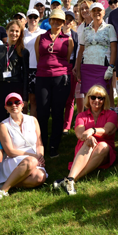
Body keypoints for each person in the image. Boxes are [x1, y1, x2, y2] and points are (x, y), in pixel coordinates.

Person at [53, 85, 117, 196]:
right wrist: (88, 137)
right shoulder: (81, 116)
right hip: (84, 149)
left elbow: (107, 130)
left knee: (102, 145)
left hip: (104, 151)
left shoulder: (111, 114)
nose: (96, 100)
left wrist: (92, 130)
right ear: (88, 99)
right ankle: (71, 180)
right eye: (93, 97)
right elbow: (79, 133)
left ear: (104, 100)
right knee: (88, 141)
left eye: (100, 98)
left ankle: (70, 179)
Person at [0, 93, 47, 206]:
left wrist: (41, 156)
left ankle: (4, 184)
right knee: (31, 161)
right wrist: (34, 156)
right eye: (10, 103)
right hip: (13, 159)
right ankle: (2, 191)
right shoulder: (3, 125)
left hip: (33, 158)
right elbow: (10, 151)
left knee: (40, 178)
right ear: (6, 107)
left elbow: (39, 143)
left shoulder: (33, 120)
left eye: (17, 102)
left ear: (22, 105)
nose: (14, 105)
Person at [35, 9, 74, 158]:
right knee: (43, 112)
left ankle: (54, 146)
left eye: (60, 20)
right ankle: (42, 144)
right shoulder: (40, 38)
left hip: (61, 78)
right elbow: (39, 57)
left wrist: (56, 71)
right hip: (42, 77)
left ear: (63, 23)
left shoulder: (68, 39)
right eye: (54, 19)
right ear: (49, 21)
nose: (56, 22)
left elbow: (68, 58)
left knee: (58, 112)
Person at [0, 20, 30, 124]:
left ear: (20, 33)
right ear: (6, 31)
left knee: (14, 119)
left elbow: (25, 76)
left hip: (15, 87)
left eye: (17, 31)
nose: (14, 33)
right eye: (12, 30)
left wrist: (25, 98)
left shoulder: (24, 51)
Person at [74, 2, 117, 96]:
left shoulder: (109, 28)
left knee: (104, 96)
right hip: (87, 67)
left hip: (104, 67)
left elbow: (114, 49)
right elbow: (81, 50)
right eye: (94, 10)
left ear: (104, 12)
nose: (96, 12)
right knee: (89, 97)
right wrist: (78, 70)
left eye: (99, 10)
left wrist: (111, 67)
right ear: (90, 13)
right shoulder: (85, 30)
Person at [23, 9, 46, 117]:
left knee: (33, 100)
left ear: (39, 18)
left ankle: (31, 127)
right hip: (22, 69)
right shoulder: (22, 33)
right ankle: (20, 127)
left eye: (35, 17)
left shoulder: (43, 33)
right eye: (30, 17)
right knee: (22, 101)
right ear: (27, 19)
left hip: (36, 69)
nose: (33, 19)